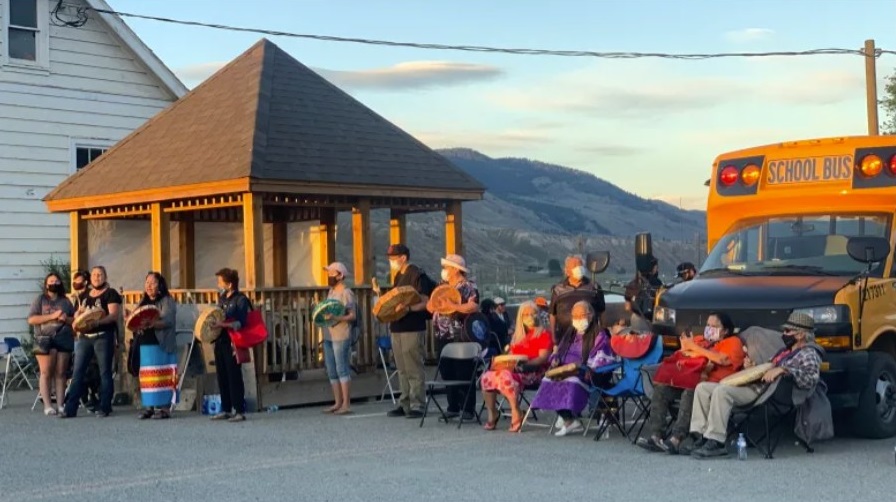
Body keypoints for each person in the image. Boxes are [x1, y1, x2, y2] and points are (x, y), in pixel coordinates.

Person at [689, 312, 823, 459]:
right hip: (754, 385)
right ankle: (700, 436)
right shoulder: (785, 351)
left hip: (765, 392)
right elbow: (764, 369)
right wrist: (752, 367)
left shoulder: (809, 353)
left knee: (722, 392)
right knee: (703, 388)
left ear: (801, 335)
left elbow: (811, 378)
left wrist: (784, 370)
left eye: (788, 331)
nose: (784, 334)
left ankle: (716, 442)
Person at [637, 312, 744, 454]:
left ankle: (676, 439)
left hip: (710, 385)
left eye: (714, 326)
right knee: (661, 389)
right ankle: (656, 436)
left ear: (725, 330)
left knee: (690, 391)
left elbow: (722, 359)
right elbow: (683, 356)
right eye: (707, 325)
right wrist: (688, 347)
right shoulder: (700, 340)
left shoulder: (732, 342)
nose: (709, 329)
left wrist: (695, 348)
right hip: (688, 378)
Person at [530, 301, 616, 437]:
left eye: (582, 315)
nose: (578, 319)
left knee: (571, 382)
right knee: (548, 380)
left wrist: (587, 368)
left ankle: (571, 417)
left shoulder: (600, 334)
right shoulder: (570, 333)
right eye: (575, 316)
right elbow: (557, 352)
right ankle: (568, 419)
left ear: (591, 315)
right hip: (564, 369)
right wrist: (555, 360)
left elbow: (602, 358)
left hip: (584, 373)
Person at [480, 301, 552, 432]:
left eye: (533, 313)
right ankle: (493, 413)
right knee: (486, 376)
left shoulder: (544, 334)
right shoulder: (517, 336)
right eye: (526, 314)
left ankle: (515, 411)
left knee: (506, 376)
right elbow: (511, 354)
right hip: (515, 369)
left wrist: (523, 365)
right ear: (521, 317)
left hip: (534, 370)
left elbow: (542, 358)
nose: (530, 317)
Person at [62, 266, 122, 418]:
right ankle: (70, 408)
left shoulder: (111, 293)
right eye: (95, 274)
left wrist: (98, 322)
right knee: (78, 372)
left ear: (105, 277)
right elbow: (79, 315)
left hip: (103, 335)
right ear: (90, 278)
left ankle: (105, 406)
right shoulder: (85, 295)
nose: (97, 277)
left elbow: (113, 315)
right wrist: (77, 318)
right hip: (85, 337)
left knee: (105, 372)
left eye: (100, 274)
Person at [383, 244, 434, 419]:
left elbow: (426, 301)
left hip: (412, 326)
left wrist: (409, 309)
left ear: (403, 258)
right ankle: (404, 402)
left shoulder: (417, 275)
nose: (391, 262)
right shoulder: (398, 275)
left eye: (393, 258)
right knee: (402, 368)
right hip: (397, 325)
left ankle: (418, 403)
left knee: (413, 366)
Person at [427, 253, 480, 420]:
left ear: (456, 270)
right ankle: (453, 406)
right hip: (442, 334)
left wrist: (453, 306)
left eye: (447, 267)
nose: (444, 270)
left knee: (462, 370)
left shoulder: (467, 286)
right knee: (447, 370)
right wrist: (434, 303)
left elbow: (473, 306)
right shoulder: (442, 286)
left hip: (459, 335)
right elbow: (430, 306)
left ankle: (468, 408)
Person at [27, 273, 75, 416]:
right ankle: (47, 405)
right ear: (46, 284)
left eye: (56, 281)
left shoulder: (66, 301)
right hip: (44, 338)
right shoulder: (40, 300)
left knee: (61, 373)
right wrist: (52, 316)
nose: (54, 283)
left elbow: (74, 320)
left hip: (64, 337)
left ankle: (61, 404)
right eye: (51, 281)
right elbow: (32, 319)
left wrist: (66, 319)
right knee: (46, 372)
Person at [133, 272, 178, 420]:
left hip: (162, 343)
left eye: (153, 283)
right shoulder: (143, 301)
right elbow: (136, 319)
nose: (149, 286)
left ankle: (165, 408)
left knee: (162, 375)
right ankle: (149, 407)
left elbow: (168, 320)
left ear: (160, 285)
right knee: (147, 376)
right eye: (147, 283)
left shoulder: (167, 301)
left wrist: (151, 324)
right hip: (145, 343)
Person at [210, 268, 252, 422]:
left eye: (220, 281)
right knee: (222, 375)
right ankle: (226, 408)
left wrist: (222, 324)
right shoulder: (222, 298)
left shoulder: (240, 299)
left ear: (229, 284)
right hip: (220, 339)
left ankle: (239, 410)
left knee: (234, 374)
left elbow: (240, 322)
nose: (218, 284)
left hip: (233, 341)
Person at [321, 262, 357, 415]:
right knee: (331, 369)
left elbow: (352, 315)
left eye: (332, 274)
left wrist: (337, 317)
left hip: (341, 334)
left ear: (340, 275)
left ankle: (346, 403)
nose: (329, 277)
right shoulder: (331, 291)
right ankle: (337, 402)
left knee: (342, 368)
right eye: (328, 274)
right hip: (329, 333)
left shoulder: (346, 293)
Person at [549, 255, 606, 342]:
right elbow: (552, 314)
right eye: (575, 266)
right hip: (564, 337)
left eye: (580, 265)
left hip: (590, 337)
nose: (579, 268)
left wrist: (602, 332)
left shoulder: (594, 287)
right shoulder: (558, 289)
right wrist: (553, 337)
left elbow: (601, 311)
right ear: (567, 271)